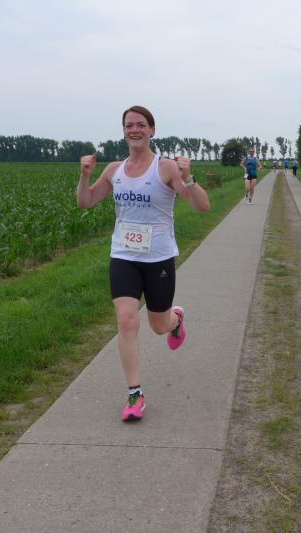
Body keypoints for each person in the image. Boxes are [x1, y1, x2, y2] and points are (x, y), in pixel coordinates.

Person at [77, 105, 211, 422]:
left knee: (158, 325)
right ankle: (135, 395)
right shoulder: (114, 170)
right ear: (123, 131)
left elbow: (202, 206)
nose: (134, 130)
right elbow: (85, 202)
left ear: (152, 130)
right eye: (129, 125)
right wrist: (84, 176)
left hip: (158, 259)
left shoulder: (166, 168)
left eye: (140, 125)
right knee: (126, 320)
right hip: (123, 256)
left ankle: (175, 320)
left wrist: (188, 178)